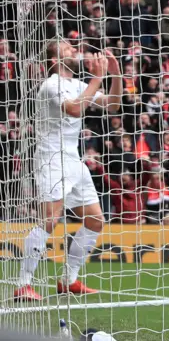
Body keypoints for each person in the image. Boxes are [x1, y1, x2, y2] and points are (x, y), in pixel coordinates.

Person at [14, 40, 122, 301]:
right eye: (67, 48)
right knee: (50, 220)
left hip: (74, 160)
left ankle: (68, 281)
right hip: (51, 158)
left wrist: (116, 74)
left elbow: (113, 105)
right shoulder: (52, 84)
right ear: (54, 60)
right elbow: (74, 110)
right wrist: (97, 77)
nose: (74, 49)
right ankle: (23, 284)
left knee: (95, 219)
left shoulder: (77, 85)